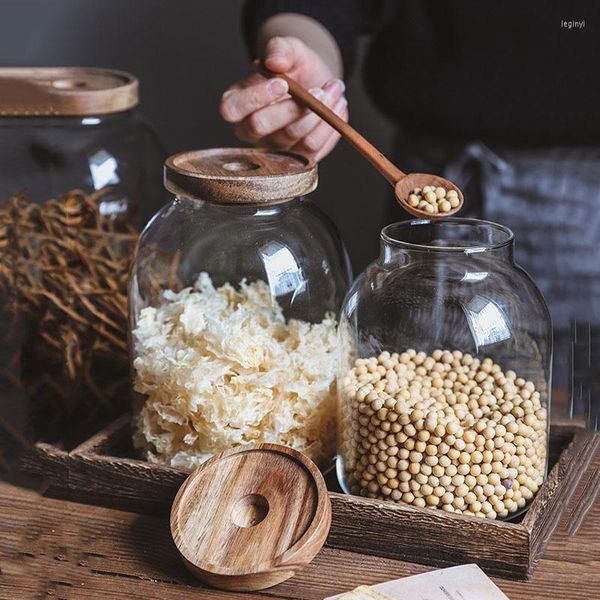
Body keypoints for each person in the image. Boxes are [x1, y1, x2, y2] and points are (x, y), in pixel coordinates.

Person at [219, 1, 600, 386]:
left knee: (571, 411)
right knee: (408, 387)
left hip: (585, 196)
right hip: (434, 183)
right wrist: (309, 69)